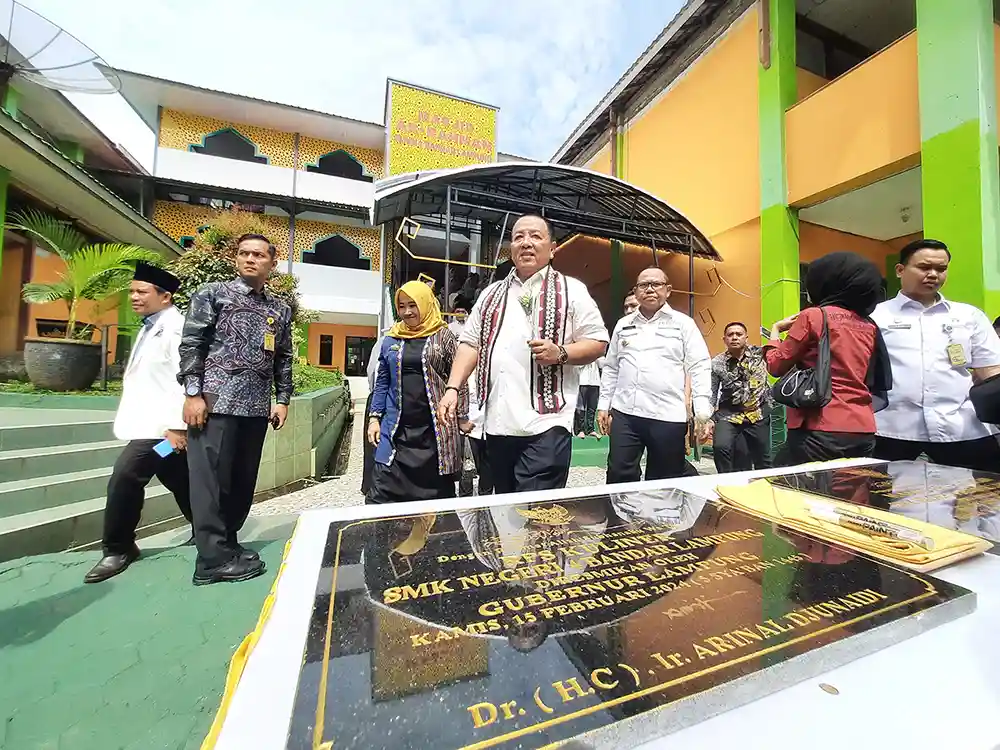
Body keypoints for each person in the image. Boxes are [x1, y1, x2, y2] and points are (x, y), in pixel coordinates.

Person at [439, 214, 609, 494]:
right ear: (511, 248)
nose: (526, 243)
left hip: (547, 424)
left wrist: (561, 352)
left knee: (536, 512)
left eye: (535, 236)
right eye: (519, 237)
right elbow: (470, 343)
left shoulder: (572, 290)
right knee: (505, 509)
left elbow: (598, 341)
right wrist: (453, 388)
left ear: (552, 248)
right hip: (497, 423)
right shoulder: (491, 294)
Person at [179, 233, 293, 586]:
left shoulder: (280, 309)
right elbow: (192, 344)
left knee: (240, 483)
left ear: (272, 263)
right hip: (216, 403)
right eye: (244, 253)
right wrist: (193, 394)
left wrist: (283, 398)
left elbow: (284, 356)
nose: (250, 259)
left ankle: (228, 545)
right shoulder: (212, 294)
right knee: (210, 483)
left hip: (255, 408)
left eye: (258, 255)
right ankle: (210, 560)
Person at [84, 263, 192, 584]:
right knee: (176, 474)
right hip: (153, 428)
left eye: (142, 292)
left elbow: (187, 379)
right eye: (132, 291)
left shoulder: (176, 329)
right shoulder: (151, 326)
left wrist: (177, 427)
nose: (134, 297)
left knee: (126, 476)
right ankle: (208, 529)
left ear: (165, 297)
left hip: (162, 431)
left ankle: (118, 548)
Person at [871, 239, 1000, 470]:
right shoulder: (875, 316)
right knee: (880, 489)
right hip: (891, 427)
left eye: (941, 269)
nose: (933, 274)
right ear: (900, 270)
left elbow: (991, 370)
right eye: (924, 267)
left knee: (986, 488)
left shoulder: (969, 316)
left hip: (962, 426)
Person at [766, 251, 891, 466]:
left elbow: (775, 365)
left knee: (789, 483)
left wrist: (775, 332)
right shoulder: (868, 324)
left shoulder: (814, 315)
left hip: (819, 425)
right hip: (863, 428)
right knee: (851, 485)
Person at [598, 266, 712, 482]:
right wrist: (604, 404)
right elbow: (612, 367)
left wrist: (702, 411)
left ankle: (661, 506)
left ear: (668, 290)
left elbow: (699, 366)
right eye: (643, 285)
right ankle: (622, 507)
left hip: (667, 415)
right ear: (636, 291)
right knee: (619, 472)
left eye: (656, 284)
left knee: (664, 478)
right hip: (626, 413)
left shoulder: (683, 324)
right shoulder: (623, 325)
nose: (649, 289)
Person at [368, 281, 468, 503]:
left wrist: (462, 416)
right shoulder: (392, 338)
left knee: (435, 500)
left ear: (425, 304)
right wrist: (374, 418)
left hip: (433, 433)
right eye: (402, 306)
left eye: (412, 305)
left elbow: (458, 377)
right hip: (396, 431)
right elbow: (382, 381)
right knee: (381, 495)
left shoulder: (443, 336)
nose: (407, 312)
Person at [706, 321, 773, 473]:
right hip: (729, 414)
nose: (735, 337)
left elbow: (780, 351)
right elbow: (712, 392)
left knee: (763, 458)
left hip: (758, 413)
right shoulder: (717, 363)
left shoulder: (760, 354)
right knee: (720, 447)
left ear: (746, 337)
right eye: (730, 335)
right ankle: (726, 481)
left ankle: (766, 484)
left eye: (739, 334)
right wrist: (708, 418)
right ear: (724, 339)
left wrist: (776, 329)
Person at [574, 358, 601, 437]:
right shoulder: (581, 354)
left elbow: (602, 364)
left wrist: (596, 356)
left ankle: (591, 429)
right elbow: (577, 366)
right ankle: (580, 430)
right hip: (583, 381)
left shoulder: (596, 356)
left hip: (595, 382)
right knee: (580, 407)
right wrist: (587, 358)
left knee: (592, 407)